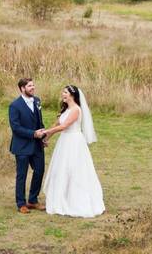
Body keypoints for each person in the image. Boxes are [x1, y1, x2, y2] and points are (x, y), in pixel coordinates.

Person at [39, 84, 105, 217]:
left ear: (72, 95)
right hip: (64, 142)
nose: (63, 94)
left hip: (74, 142)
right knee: (62, 169)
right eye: (63, 92)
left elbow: (64, 126)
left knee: (74, 169)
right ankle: (62, 196)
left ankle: (75, 200)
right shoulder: (65, 110)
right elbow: (57, 124)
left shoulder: (76, 110)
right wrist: (47, 137)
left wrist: (45, 131)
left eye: (65, 92)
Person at [8, 77, 47, 214]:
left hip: (37, 144)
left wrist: (42, 136)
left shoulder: (37, 101)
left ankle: (33, 200)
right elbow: (16, 128)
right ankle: (21, 203)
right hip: (22, 146)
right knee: (22, 175)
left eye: (33, 85)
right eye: (30, 86)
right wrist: (33, 134)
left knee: (39, 170)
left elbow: (39, 121)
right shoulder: (14, 106)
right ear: (22, 88)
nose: (33, 88)